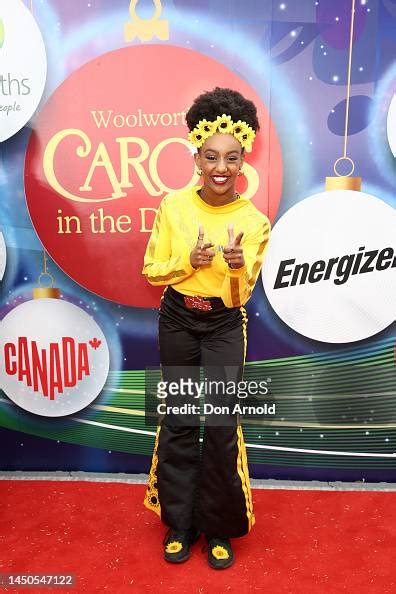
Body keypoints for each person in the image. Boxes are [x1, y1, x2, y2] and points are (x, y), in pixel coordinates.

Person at [142, 87, 271, 569]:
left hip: (222, 325)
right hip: (176, 317)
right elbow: (151, 270)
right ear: (196, 156)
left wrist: (235, 268)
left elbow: (240, 299)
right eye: (211, 156)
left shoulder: (254, 223)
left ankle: (218, 526)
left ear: (244, 161)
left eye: (231, 158)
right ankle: (180, 522)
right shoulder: (174, 207)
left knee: (218, 425)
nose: (221, 167)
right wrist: (186, 261)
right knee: (178, 417)